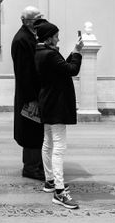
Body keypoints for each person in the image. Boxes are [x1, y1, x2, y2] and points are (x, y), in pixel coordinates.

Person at [34, 20, 83, 209]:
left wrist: (74, 50)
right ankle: (59, 193)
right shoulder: (49, 54)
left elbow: (62, 66)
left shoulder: (41, 52)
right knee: (59, 147)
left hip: (48, 102)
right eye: (56, 36)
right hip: (57, 104)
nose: (58, 38)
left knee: (48, 143)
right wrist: (78, 53)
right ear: (49, 38)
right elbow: (72, 69)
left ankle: (50, 182)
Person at [11, 6, 46, 181]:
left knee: (37, 130)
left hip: (35, 92)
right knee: (31, 131)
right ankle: (31, 168)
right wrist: (31, 99)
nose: (40, 21)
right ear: (26, 21)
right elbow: (23, 72)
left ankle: (37, 164)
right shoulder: (21, 40)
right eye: (37, 19)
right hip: (29, 95)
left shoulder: (32, 36)